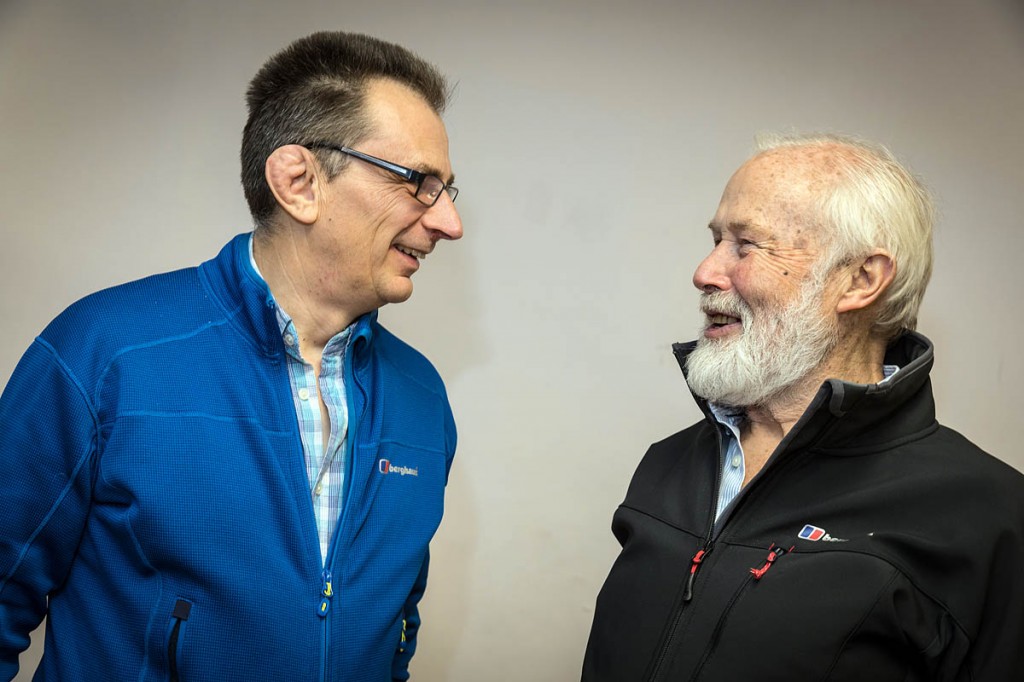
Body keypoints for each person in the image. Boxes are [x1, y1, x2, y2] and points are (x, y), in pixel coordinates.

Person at [0, 31, 462, 681]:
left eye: (447, 191)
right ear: (298, 181)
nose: (448, 223)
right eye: (418, 183)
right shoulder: (107, 353)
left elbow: (396, 625)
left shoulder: (422, 396)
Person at [582, 133, 1024, 681]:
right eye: (716, 240)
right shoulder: (669, 463)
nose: (705, 272)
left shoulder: (989, 516)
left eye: (746, 245)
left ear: (860, 280)